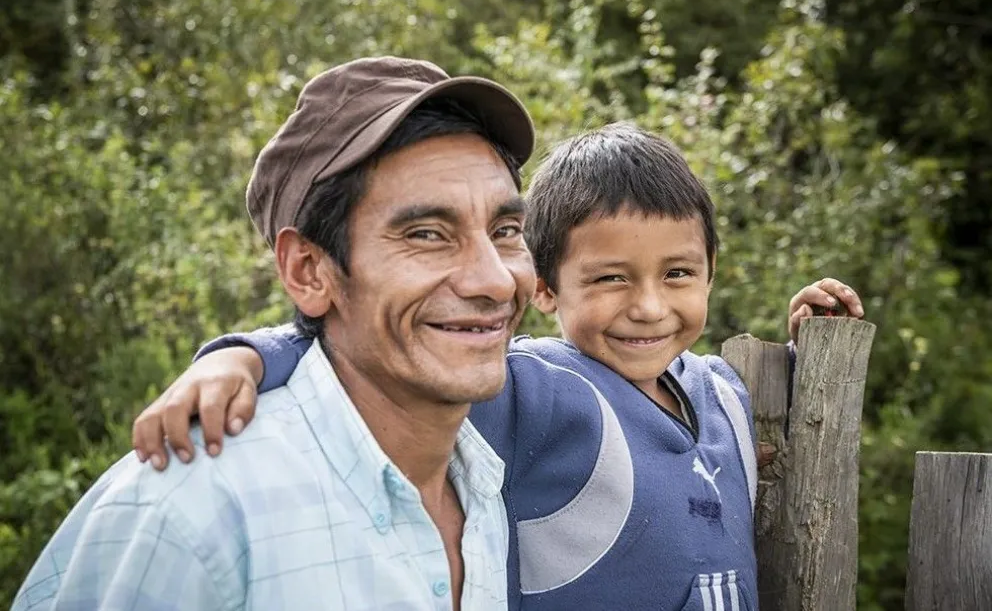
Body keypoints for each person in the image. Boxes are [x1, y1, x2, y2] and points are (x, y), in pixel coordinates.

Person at [131, 121, 866, 610]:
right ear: (543, 288)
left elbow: (792, 418)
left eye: (678, 274)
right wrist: (245, 356)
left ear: (710, 274)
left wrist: (807, 344)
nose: (648, 306)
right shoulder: (540, 388)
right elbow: (373, 352)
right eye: (611, 278)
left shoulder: (722, 389)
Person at [13, 56, 541, 611]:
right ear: (309, 272)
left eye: (506, 230)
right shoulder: (189, 508)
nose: (494, 279)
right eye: (428, 234)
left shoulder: (495, 475)